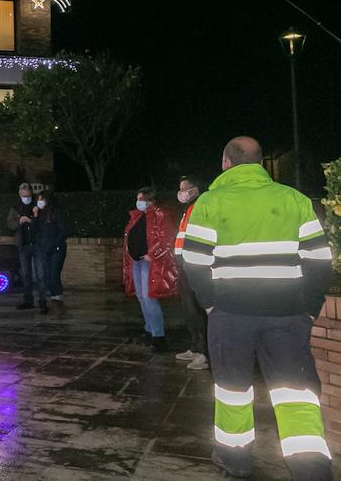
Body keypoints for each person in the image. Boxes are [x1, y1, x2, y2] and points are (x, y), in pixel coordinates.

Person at [182, 136, 333, 480]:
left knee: (233, 391)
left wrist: (210, 304)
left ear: (226, 163)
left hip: (230, 315)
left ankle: (235, 459)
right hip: (287, 316)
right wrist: (309, 308)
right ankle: (311, 469)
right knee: (297, 394)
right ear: (261, 163)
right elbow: (319, 260)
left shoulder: (211, 202)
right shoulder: (293, 199)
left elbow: (194, 260)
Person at [123, 186, 178, 352]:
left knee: (149, 297)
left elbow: (166, 238)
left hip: (149, 262)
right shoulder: (138, 215)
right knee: (141, 296)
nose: (138, 202)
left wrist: (152, 254)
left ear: (150, 200)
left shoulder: (160, 214)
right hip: (137, 260)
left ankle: (158, 335)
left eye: (141, 199)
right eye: (138, 199)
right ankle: (149, 329)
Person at [173, 176, 209, 370]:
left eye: (185, 189)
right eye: (180, 189)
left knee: (197, 310)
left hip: (195, 265)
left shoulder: (201, 206)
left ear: (196, 189)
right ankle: (195, 348)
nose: (181, 192)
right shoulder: (189, 209)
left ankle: (204, 353)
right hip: (185, 264)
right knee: (189, 310)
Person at [31, 191, 68, 316]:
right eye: (38, 199)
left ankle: (58, 303)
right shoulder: (41, 214)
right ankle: (55, 301)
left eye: (41, 199)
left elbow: (64, 231)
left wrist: (54, 244)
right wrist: (35, 216)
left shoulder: (56, 213)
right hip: (44, 250)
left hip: (56, 250)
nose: (39, 201)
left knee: (54, 276)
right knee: (47, 277)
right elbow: (35, 231)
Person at [8, 182, 39, 310]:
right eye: (23, 194)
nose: (26, 196)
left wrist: (34, 219)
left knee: (40, 274)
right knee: (26, 274)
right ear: (19, 194)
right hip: (23, 245)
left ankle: (42, 300)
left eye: (27, 194)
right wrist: (19, 222)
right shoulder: (15, 207)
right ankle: (28, 300)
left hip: (37, 244)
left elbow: (43, 222)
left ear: (31, 193)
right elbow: (10, 223)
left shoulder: (36, 205)